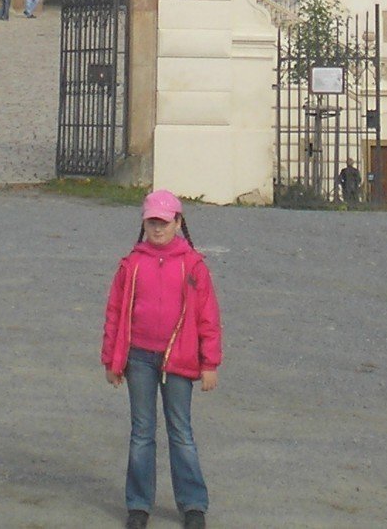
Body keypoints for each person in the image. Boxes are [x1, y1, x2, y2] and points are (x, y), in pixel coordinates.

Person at [102, 189, 221, 529]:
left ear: (178, 223)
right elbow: (115, 312)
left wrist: (209, 363)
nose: (157, 229)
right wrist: (112, 358)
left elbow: (207, 317)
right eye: (152, 222)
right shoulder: (132, 264)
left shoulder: (193, 265)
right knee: (141, 432)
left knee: (181, 431)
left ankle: (193, 505)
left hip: (179, 361)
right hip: (138, 358)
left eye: (164, 223)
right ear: (144, 223)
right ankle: (138, 505)